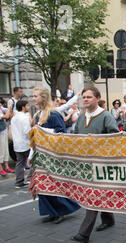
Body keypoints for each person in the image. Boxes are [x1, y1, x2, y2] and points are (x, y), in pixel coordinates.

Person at [70, 87, 119, 243]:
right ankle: (108, 218)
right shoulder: (81, 117)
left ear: (97, 98)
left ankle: (84, 233)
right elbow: (76, 135)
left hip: (102, 163)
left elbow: (114, 137)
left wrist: (98, 140)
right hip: (86, 163)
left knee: (93, 196)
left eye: (89, 97)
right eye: (84, 97)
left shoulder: (105, 116)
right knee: (98, 193)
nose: (85, 99)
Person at [32, 87, 81, 224]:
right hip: (41, 155)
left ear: (43, 97)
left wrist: (47, 135)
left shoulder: (53, 114)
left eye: (36, 96)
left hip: (52, 155)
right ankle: (51, 211)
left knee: (54, 185)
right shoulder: (38, 115)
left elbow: (61, 134)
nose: (33, 98)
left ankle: (61, 210)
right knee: (42, 186)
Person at [11, 100, 32, 188]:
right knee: (33, 161)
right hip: (25, 143)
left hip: (17, 143)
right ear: (23, 107)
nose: (28, 107)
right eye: (27, 106)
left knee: (19, 163)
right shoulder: (24, 118)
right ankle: (30, 178)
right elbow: (27, 131)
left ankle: (19, 181)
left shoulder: (14, 118)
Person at [0, 98, 14, 176]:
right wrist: (9, 106)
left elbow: (10, 113)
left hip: (4, 131)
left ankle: (6, 166)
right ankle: (0, 168)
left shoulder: (0, 109)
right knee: (0, 151)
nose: (0, 105)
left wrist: (9, 108)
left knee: (5, 150)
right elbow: (6, 116)